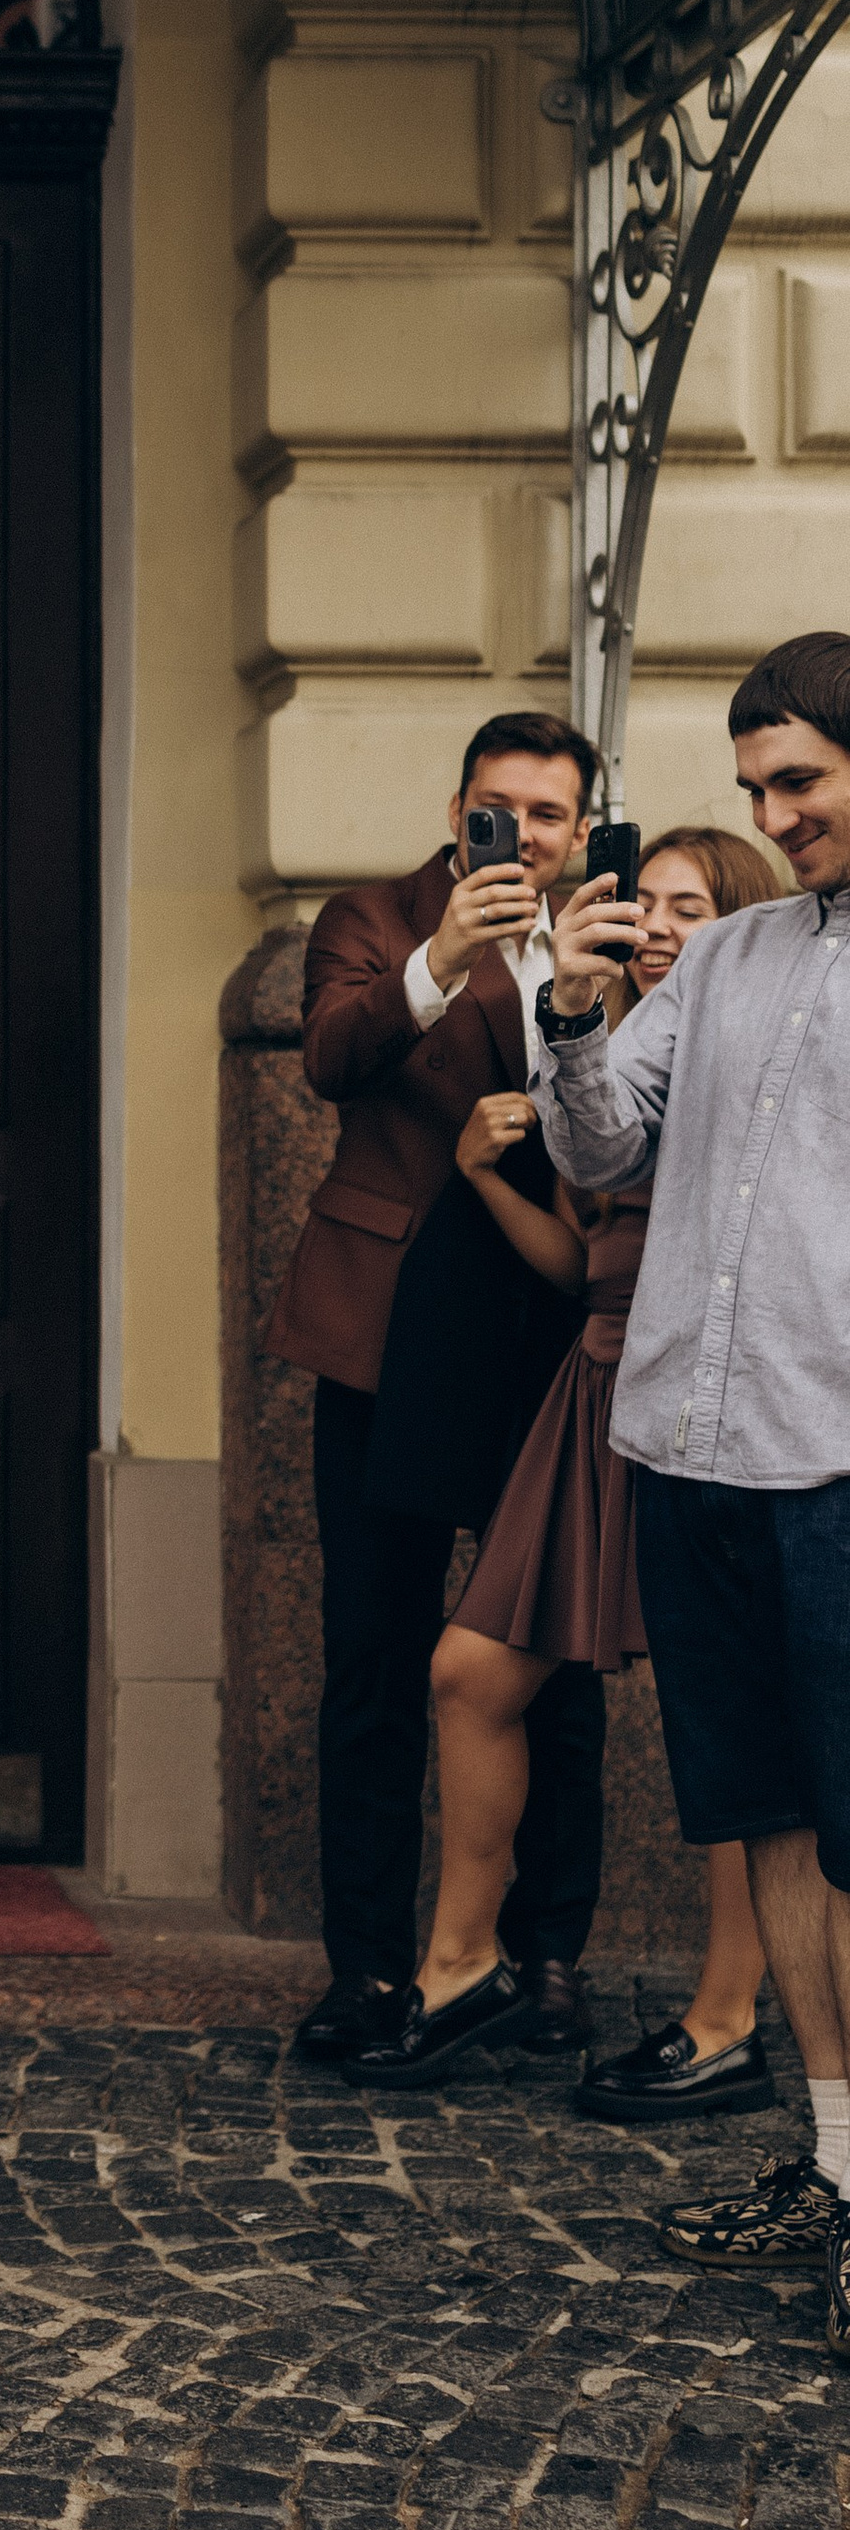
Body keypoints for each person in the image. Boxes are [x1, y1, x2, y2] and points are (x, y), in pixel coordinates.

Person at [343, 829, 783, 2091]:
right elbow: (588, 1268)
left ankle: (725, 2018)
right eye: (645, 903)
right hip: (594, 1395)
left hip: (718, 1399)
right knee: (469, 1672)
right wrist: (485, 1177)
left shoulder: (758, 1049)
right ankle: (460, 1965)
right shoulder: (613, 1051)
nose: (657, 927)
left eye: (690, 909)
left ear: (743, 931)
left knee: (729, 1719)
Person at [538, 633, 850, 2329]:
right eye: (754, 789)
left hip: (838, 1459)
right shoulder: (723, 960)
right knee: (769, 1817)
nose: (774, 815)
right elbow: (599, 1148)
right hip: (696, 1447)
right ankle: (839, 2160)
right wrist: (572, 1015)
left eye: (801, 782)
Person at [266, 710, 612, 2061]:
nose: (520, 834)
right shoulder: (375, 919)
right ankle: (366, 1968)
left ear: (581, 827)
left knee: (555, 1665)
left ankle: (546, 1955)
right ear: (457, 809)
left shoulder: (605, 931)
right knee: (374, 1652)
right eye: (495, 808)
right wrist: (445, 956)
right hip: (388, 1332)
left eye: (546, 813)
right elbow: (330, 1060)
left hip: (548, 1336)